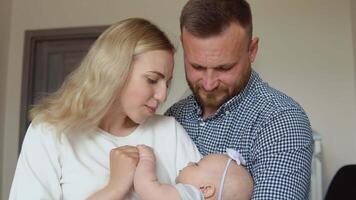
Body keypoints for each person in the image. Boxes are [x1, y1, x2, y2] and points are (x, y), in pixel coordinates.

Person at [9, 18, 201, 200]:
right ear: (116, 71)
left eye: (167, 83)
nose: (162, 95)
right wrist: (114, 189)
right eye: (152, 80)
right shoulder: (50, 132)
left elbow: (213, 192)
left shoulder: (169, 132)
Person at [165, 0, 314, 199]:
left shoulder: (280, 122)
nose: (209, 84)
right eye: (197, 67)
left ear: (252, 50)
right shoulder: (174, 117)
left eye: (224, 68)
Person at [134, 145, 253, 200]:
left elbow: (149, 190)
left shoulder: (193, 195)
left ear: (206, 190)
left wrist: (146, 158)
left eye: (196, 164)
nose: (190, 162)